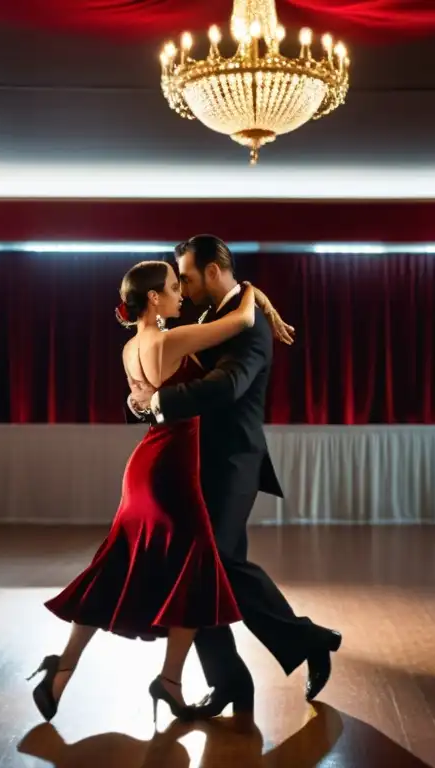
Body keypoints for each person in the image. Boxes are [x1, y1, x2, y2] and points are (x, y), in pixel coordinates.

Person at [28, 260, 277, 726]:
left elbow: (145, 403)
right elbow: (240, 322)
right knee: (195, 570)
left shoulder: (129, 349)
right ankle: (170, 681)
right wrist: (251, 291)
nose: (181, 293)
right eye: (172, 287)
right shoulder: (169, 340)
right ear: (154, 300)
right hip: (171, 470)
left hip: (144, 465)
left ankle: (61, 670)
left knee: (116, 567)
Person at [128, 235, 342, 719]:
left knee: (213, 563)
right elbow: (173, 370)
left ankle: (303, 642)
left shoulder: (251, 329)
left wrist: (161, 403)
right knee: (204, 570)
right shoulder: (211, 318)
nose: (180, 285)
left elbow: (228, 385)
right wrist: (141, 401)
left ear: (211, 271)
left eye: (184, 276)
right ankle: (233, 679)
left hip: (232, 462)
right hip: (193, 462)